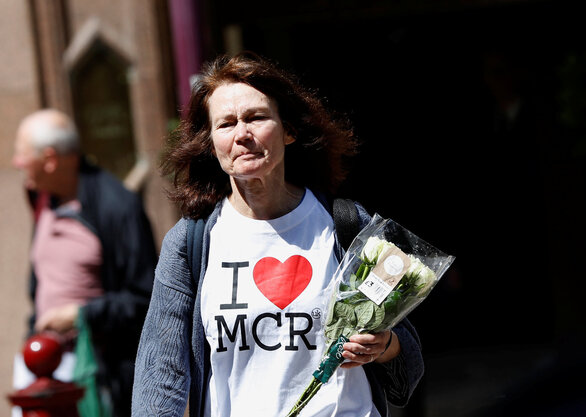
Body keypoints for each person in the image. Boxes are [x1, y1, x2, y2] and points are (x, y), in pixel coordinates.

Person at [131, 52, 423, 417]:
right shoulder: (191, 242)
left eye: (256, 117)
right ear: (211, 143)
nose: (242, 135)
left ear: (289, 130)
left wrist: (385, 345)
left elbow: (408, 362)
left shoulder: (344, 223)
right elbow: (161, 375)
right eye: (226, 124)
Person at [11, 108, 157, 416]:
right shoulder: (43, 199)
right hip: (43, 367)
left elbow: (145, 297)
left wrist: (82, 315)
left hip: (99, 375)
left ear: (50, 159)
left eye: (22, 155)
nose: (17, 163)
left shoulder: (118, 207)